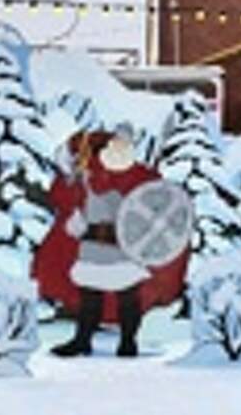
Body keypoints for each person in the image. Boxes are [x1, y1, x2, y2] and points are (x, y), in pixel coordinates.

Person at [33, 123, 188, 358]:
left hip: (125, 245)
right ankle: (83, 340)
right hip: (93, 245)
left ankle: (128, 342)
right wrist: (77, 219)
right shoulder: (86, 176)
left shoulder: (136, 175)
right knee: (90, 296)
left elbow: (154, 203)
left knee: (127, 296)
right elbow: (68, 200)